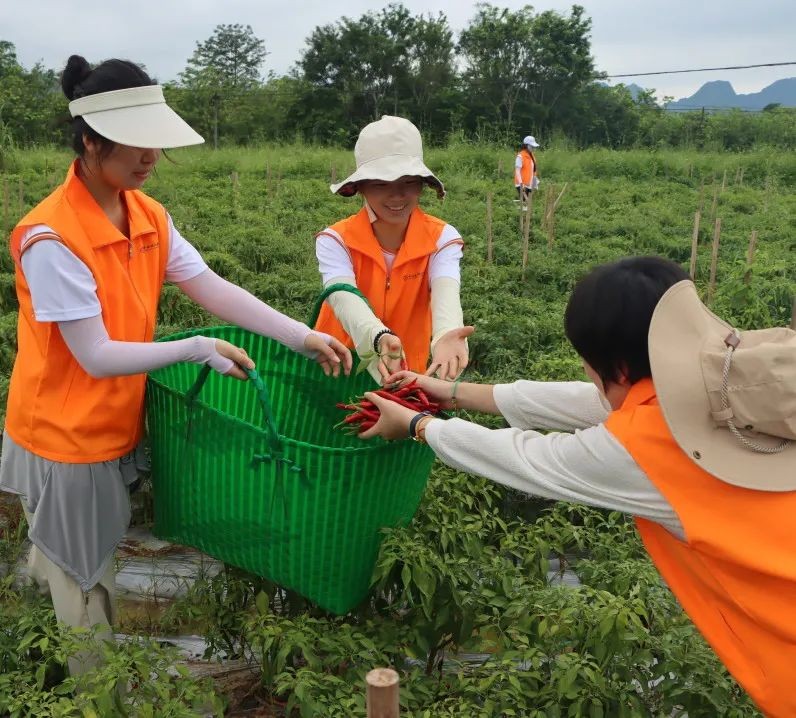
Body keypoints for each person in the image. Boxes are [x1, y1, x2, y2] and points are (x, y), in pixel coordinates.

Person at [0, 55, 351, 677]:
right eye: (136, 142)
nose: (151, 157)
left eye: (155, 142)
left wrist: (302, 337)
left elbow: (209, 286)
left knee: (68, 553)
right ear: (90, 141)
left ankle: (37, 647)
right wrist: (196, 349)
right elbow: (95, 355)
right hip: (65, 435)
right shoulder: (50, 237)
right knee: (86, 582)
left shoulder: (146, 215)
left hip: (112, 420)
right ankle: (95, 696)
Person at [361, 256, 796, 717]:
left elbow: (527, 459)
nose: (588, 374)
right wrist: (450, 394)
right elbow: (592, 402)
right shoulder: (720, 383)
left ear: (619, 369)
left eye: (588, 364)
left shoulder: (642, 451)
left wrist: (417, 425)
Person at [313, 115, 473, 384]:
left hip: (404, 373)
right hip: (337, 366)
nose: (397, 195)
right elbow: (342, 296)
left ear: (422, 184)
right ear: (360, 188)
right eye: (380, 184)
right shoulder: (336, 239)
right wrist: (377, 337)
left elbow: (446, 289)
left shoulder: (442, 238)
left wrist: (447, 333)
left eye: (408, 182)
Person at [514, 135, 540, 201]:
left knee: (527, 203)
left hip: (529, 184)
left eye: (534, 147)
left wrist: (535, 182)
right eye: (532, 146)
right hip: (522, 184)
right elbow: (517, 171)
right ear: (526, 145)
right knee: (524, 203)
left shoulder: (532, 156)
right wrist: (521, 184)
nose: (533, 148)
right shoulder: (520, 156)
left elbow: (532, 170)